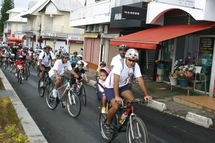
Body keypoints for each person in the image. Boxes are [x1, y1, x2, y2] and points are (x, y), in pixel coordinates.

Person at [104, 48, 152, 133]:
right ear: (126, 58)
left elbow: (140, 80)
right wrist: (117, 96)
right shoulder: (119, 64)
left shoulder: (135, 66)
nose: (131, 63)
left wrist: (146, 94)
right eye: (129, 60)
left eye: (134, 61)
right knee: (115, 106)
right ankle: (107, 124)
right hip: (111, 86)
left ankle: (123, 118)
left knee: (131, 100)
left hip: (123, 85)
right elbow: (116, 81)